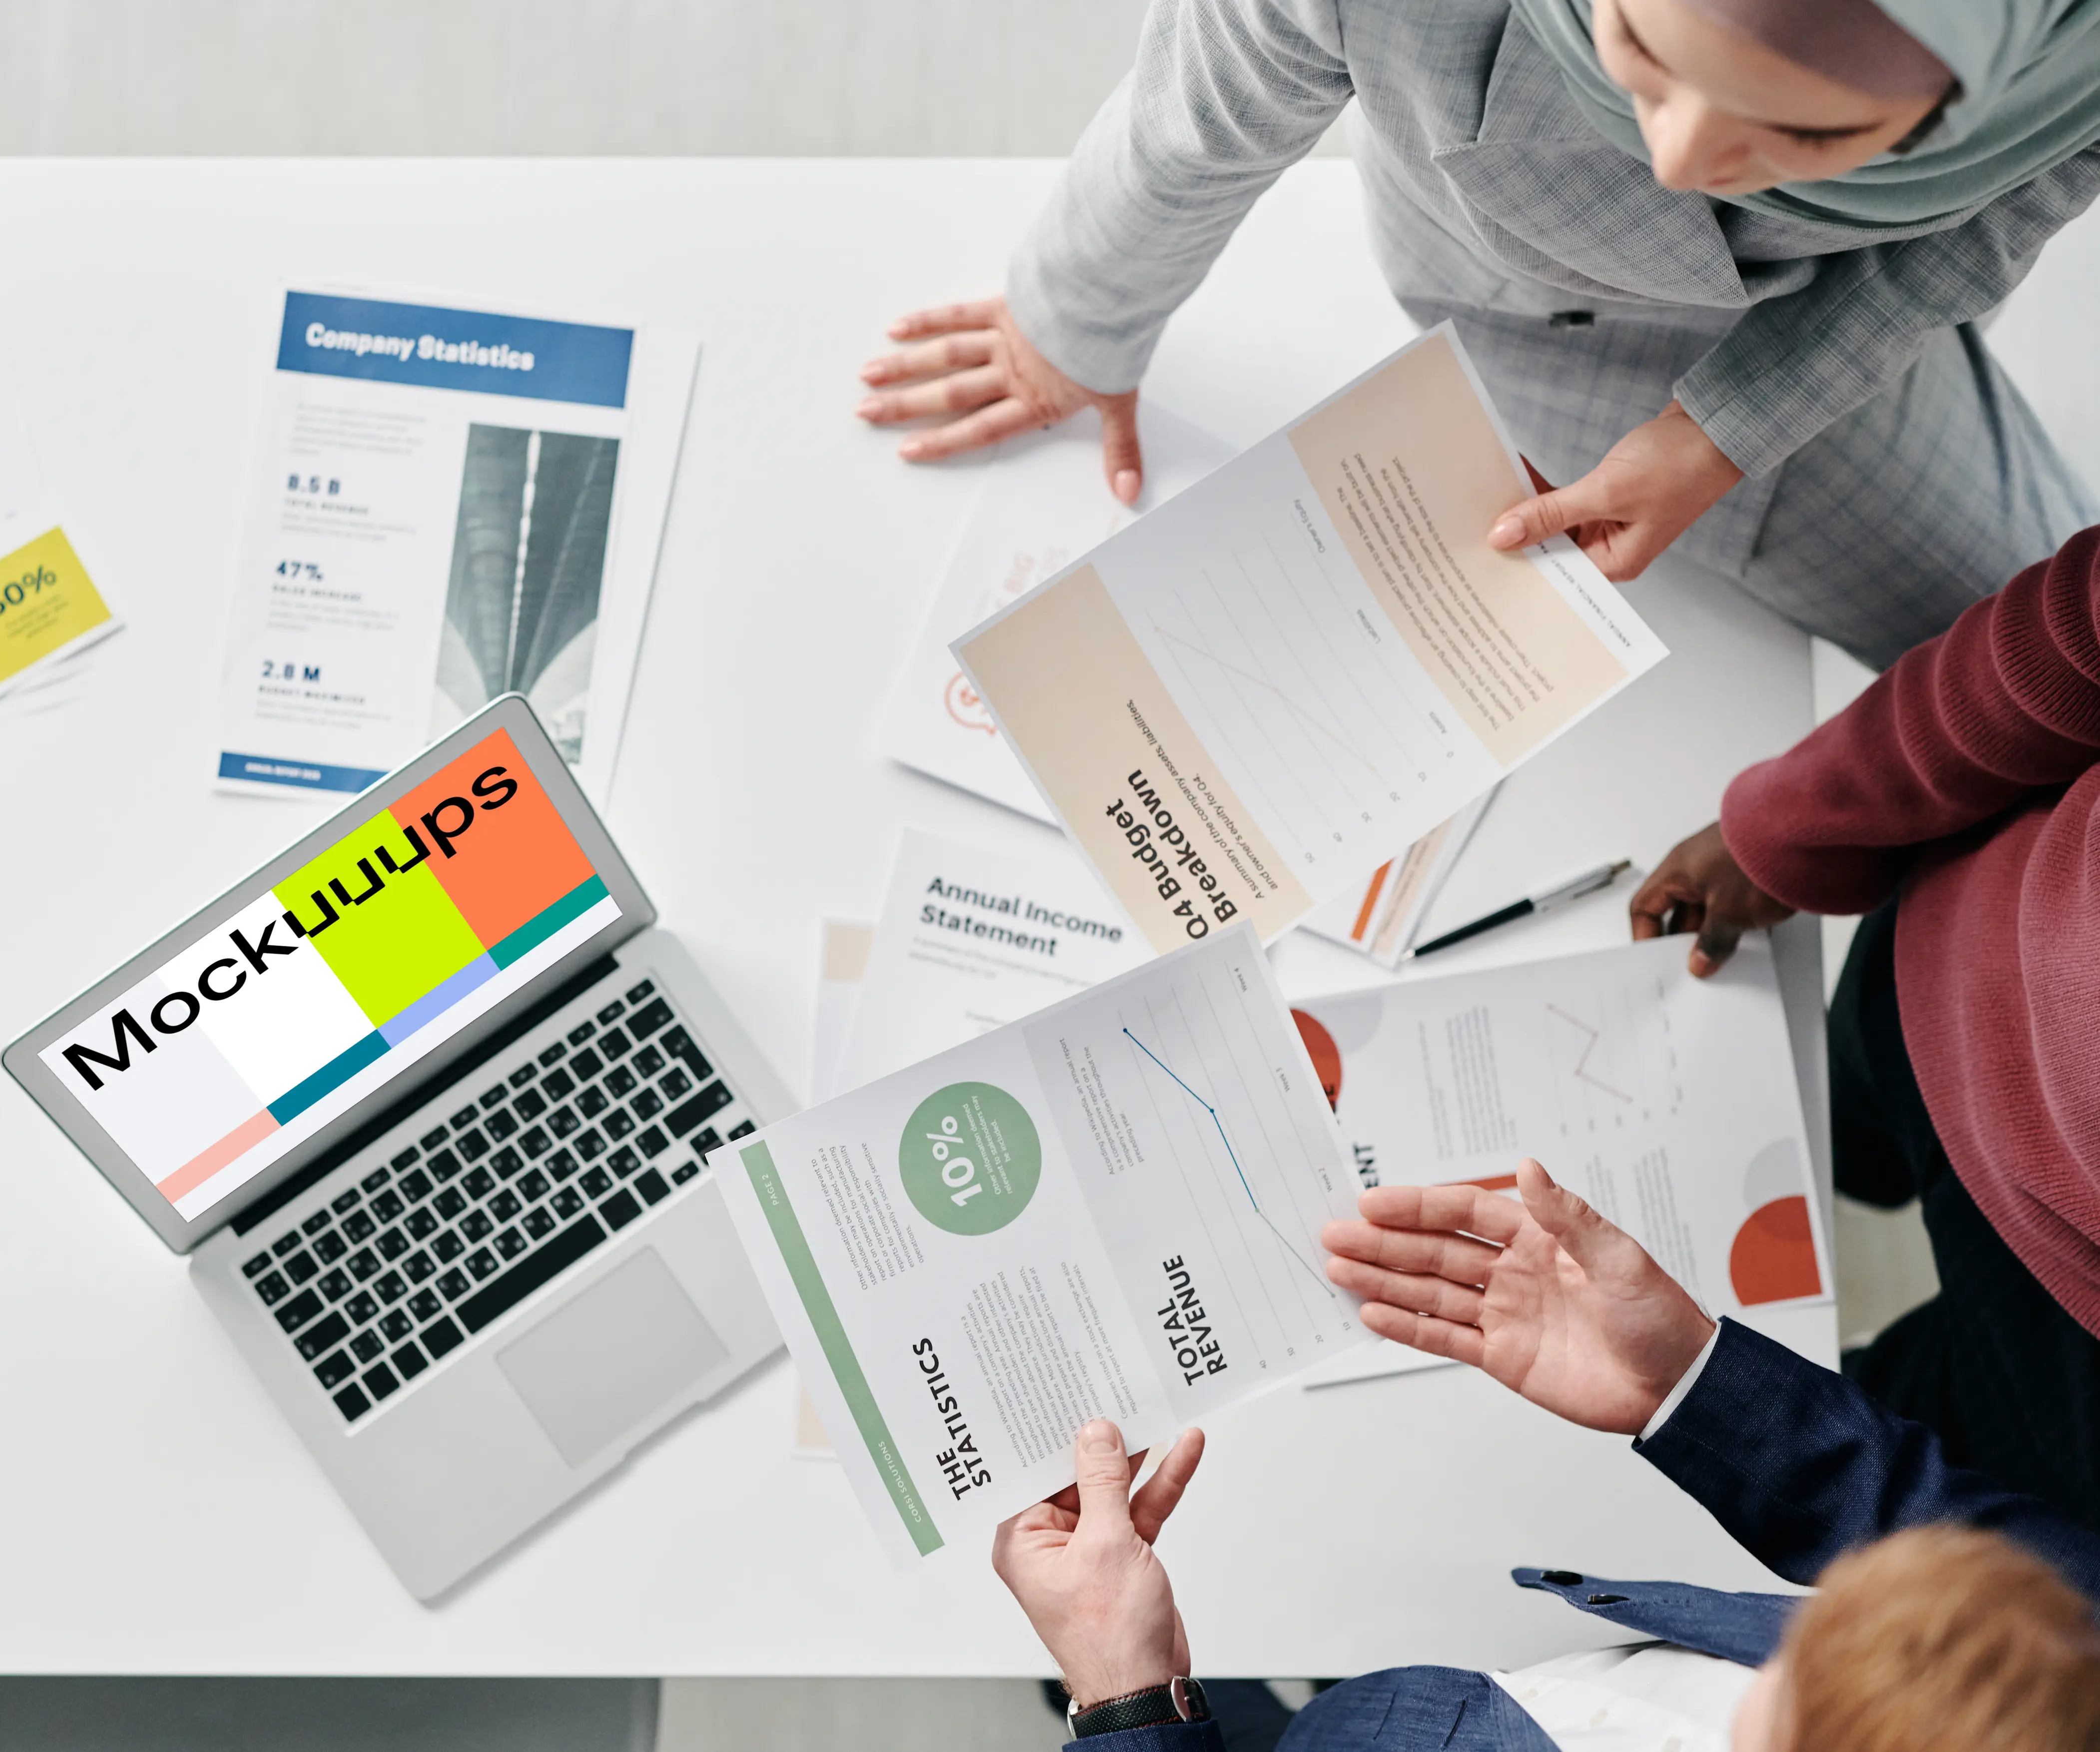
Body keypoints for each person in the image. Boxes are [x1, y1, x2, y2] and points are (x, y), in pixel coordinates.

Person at [854, 0, 2100, 670]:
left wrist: (1730, 430)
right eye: (1636, 52)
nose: (1677, 162)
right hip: (1578, 329)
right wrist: (1074, 328)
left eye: (1814, 139)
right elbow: (1198, 116)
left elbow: (2007, 204)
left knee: (2061, 678)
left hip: (1815, 326)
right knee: (2027, 650)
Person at [995, 1162, 2100, 1748]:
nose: (1784, 1653)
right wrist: (1684, 1381)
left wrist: (1122, 1704)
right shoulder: (2058, 1666)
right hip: (1434, 1694)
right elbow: (1926, 1524)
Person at [1626, 520, 2100, 1528]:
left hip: (2068, 1354)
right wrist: (1786, 826)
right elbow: (2058, 639)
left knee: (1792, 1442)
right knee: (1810, 1153)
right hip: (1944, 978)